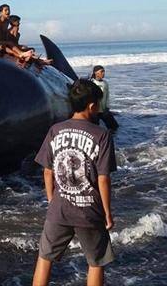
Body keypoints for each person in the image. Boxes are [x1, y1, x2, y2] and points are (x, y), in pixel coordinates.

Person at [32, 79, 117, 286]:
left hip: (59, 208)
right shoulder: (102, 135)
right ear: (91, 106)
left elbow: (48, 172)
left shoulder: (55, 130)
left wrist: (52, 200)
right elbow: (103, 179)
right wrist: (107, 212)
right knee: (96, 263)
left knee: (45, 258)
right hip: (89, 210)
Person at [90, 65, 119, 131]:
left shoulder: (105, 83)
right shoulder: (92, 83)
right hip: (94, 110)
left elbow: (107, 96)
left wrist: (107, 107)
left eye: (104, 71)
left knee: (114, 127)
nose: (103, 73)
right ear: (96, 73)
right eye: (101, 71)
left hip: (104, 110)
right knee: (94, 129)